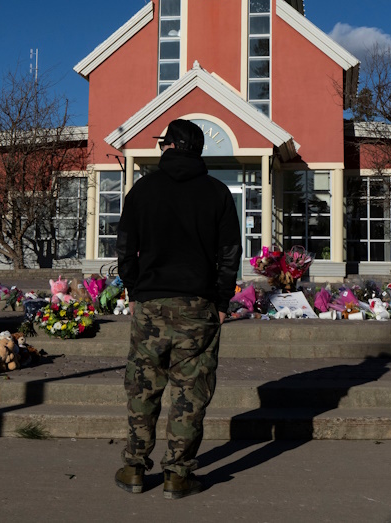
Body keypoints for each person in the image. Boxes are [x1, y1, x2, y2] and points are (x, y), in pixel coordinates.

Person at [114, 118, 242, 499]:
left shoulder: (142, 190)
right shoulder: (217, 193)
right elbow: (229, 253)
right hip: (198, 307)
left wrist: (136, 289)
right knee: (191, 391)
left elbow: (125, 248)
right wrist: (221, 301)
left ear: (168, 146)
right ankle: (177, 474)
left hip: (151, 303)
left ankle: (135, 468)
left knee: (143, 387)